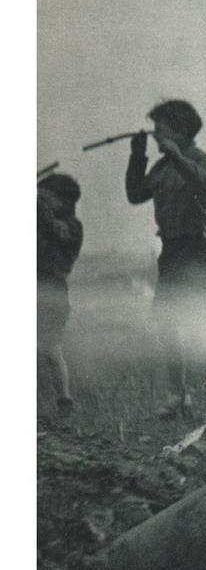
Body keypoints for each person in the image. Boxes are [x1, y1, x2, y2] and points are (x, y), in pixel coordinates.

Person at [125, 100, 206, 419]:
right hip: (171, 252)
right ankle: (178, 398)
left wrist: (177, 157)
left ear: (180, 132)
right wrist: (137, 155)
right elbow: (135, 194)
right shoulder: (160, 167)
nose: (155, 136)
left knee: (197, 326)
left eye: (161, 130)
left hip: (197, 252)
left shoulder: (198, 159)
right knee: (168, 327)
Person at [38, 173, 83, 416]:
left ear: (65, 202)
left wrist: (39, 206)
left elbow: (58, 232)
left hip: (52, 291)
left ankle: (64, 402)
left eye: (48, 199)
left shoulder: (73, 227)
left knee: (51, 350)